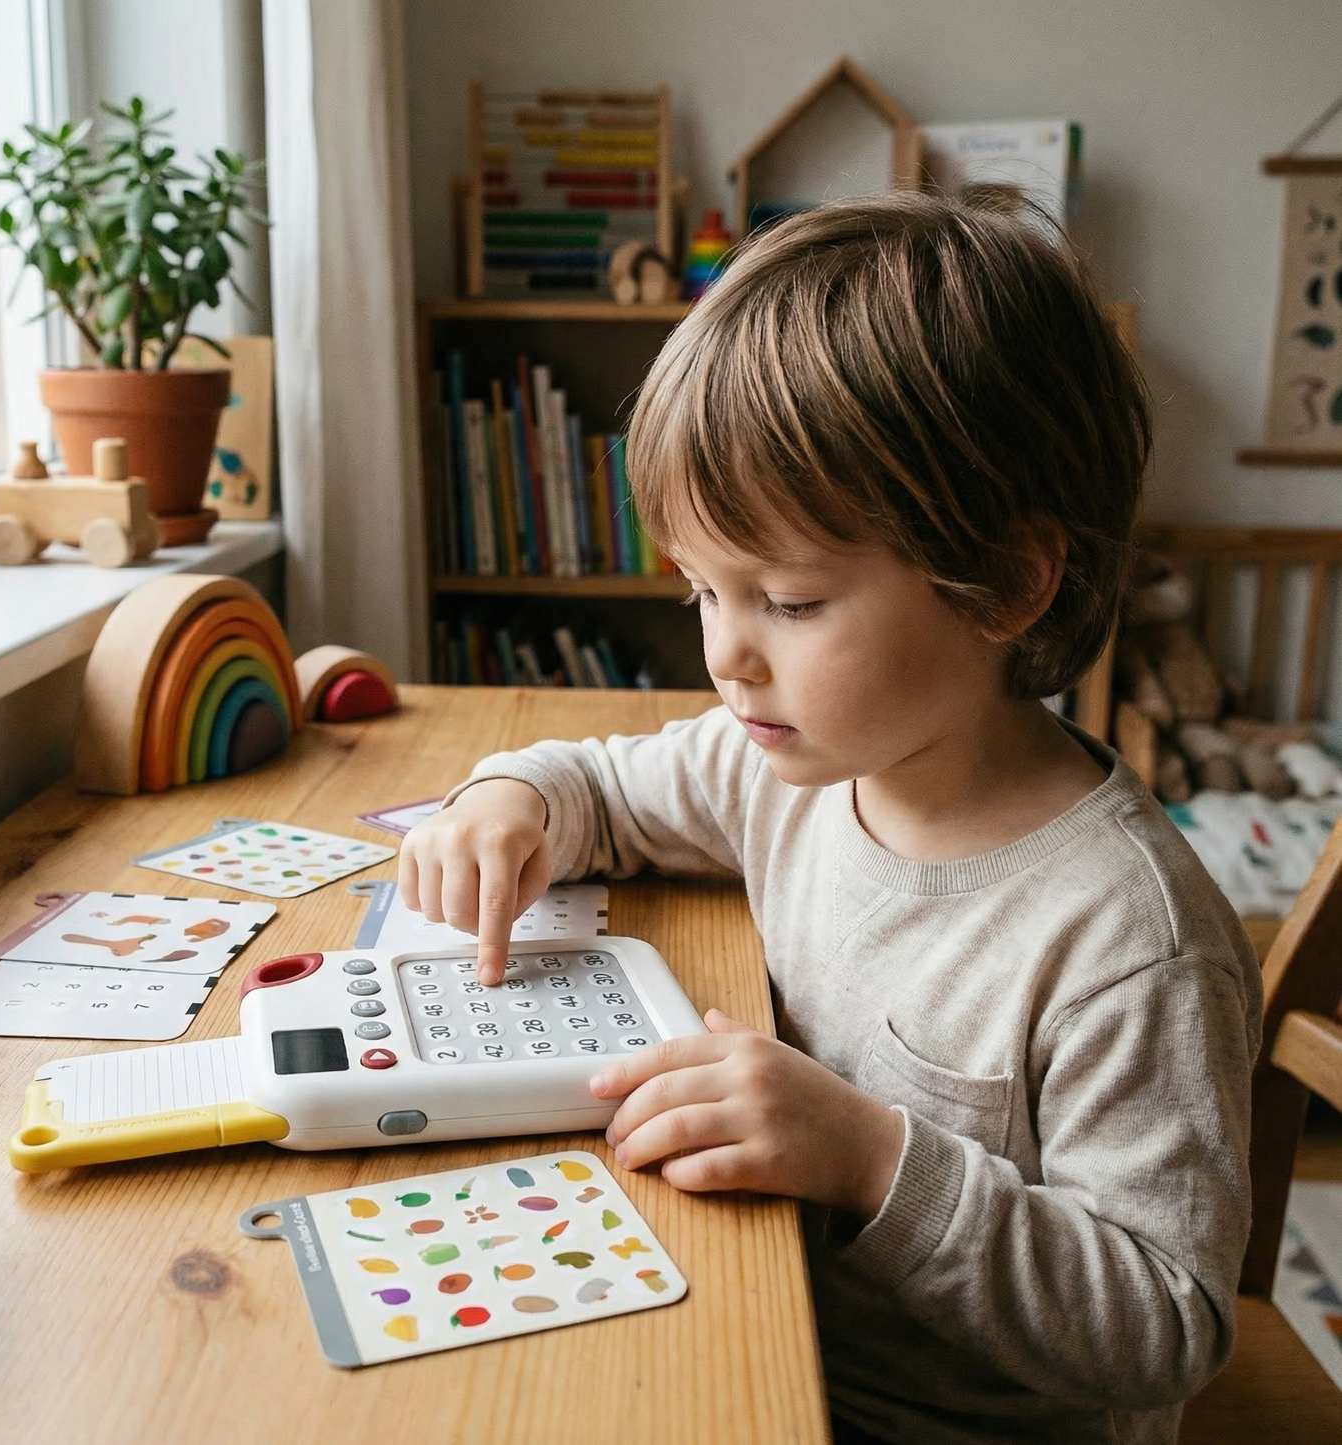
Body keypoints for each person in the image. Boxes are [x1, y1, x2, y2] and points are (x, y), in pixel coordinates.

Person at [399, 194, 1261, 1445]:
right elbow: (605, 781)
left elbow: (1164, 1320)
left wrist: (869, 1159)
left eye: (788, 601)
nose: (724, 654)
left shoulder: (1127, 939)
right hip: (758, 1333)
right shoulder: (788, 763)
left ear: (1008, 581)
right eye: (702, 588)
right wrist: (506, 799)